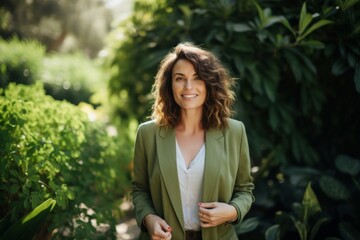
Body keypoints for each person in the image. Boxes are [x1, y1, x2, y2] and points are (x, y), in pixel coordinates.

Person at [131, 42, 254, 240]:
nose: (188, 87)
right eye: (180, 78)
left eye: (197, 78)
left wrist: (232, 211)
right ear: (169, 85)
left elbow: (245, 190)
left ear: (209, 83)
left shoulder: (234, 131)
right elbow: (139, 190)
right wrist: (149, 218)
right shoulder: (147, 134)